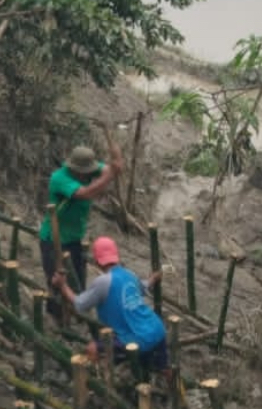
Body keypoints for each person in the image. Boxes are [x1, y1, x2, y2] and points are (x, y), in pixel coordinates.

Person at [51, 236, 171, 381]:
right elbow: (143, 286)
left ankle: (98, 385)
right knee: (163, 369)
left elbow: (79, 304)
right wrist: (153, 278)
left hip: (137, 339)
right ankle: (174, 392)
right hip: (157, 330)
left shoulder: (103, 282)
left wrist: (62, 286)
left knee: (92, 348)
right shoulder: (129, 274)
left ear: (97, 261)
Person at [39, 144, 123, 299]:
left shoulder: (89, 169)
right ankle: (57, 318)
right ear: (73, 168)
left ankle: (76, 312)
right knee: (58, 282)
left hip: (74, 238)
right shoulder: (59, 178)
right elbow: (84, 193)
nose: (87, 175)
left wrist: (115, 164)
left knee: (77, 280)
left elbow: (106, 170)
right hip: (55, 239)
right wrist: (111, 175)